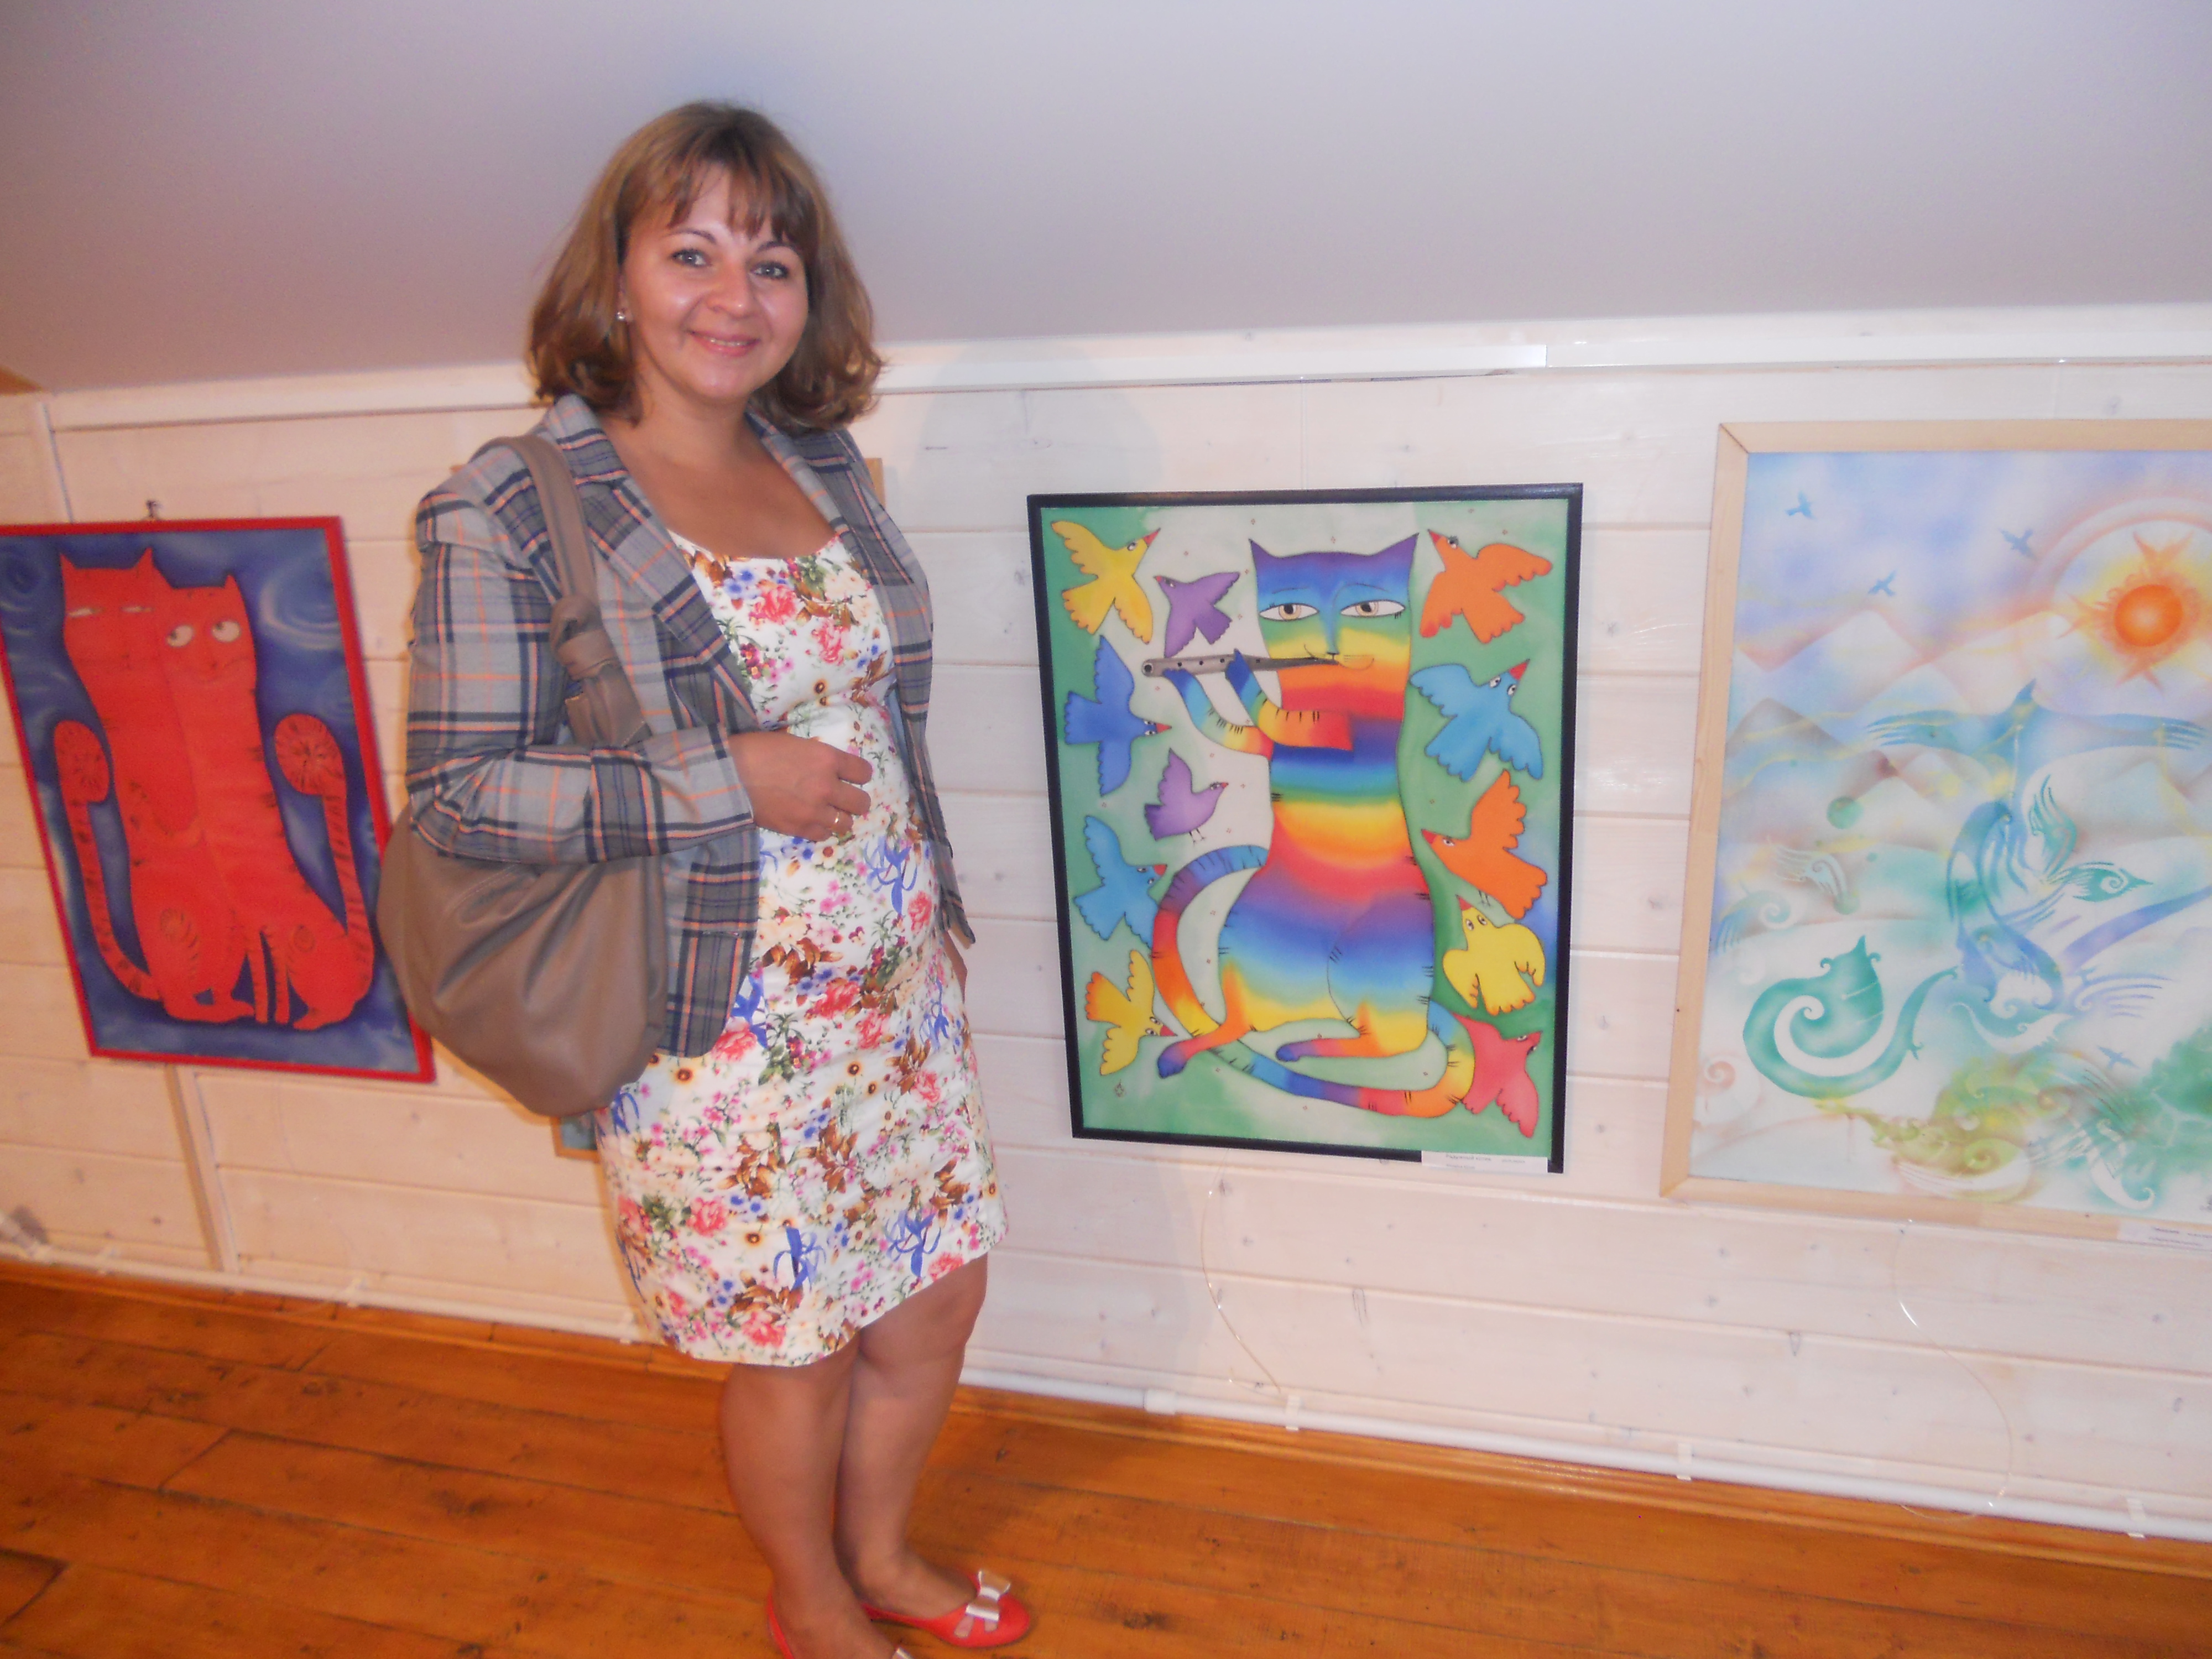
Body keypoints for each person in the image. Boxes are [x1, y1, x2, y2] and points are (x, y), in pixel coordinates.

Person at [401, 103, 1023, 1659]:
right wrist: (724, 779)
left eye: (773, 262)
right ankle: (810, 1603)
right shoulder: (510, 504)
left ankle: (881, 1554)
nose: (735, 297)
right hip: (709, 1020)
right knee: (797, 1342)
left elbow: (880, 716)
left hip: (887, 989)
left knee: (934, 1295)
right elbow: (462, 796)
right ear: (615, 277)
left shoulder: (824, 464)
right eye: (692, 252)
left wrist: (928, 907)